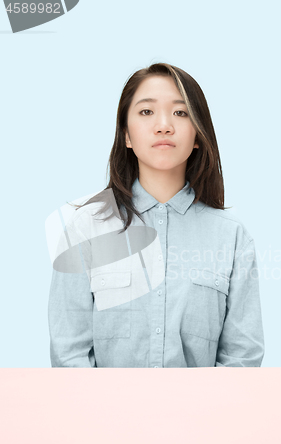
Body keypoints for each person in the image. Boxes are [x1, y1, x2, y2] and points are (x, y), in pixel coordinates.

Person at [48, 62, 265, 368]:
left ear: (198, 136)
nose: (164, 125)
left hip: (201, 415)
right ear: (126, 135)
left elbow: (242, 356)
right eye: (146, 112)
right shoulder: (85, 229)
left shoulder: (231, 237)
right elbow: (68, 352)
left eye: (180, 112)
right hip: (106, 415)